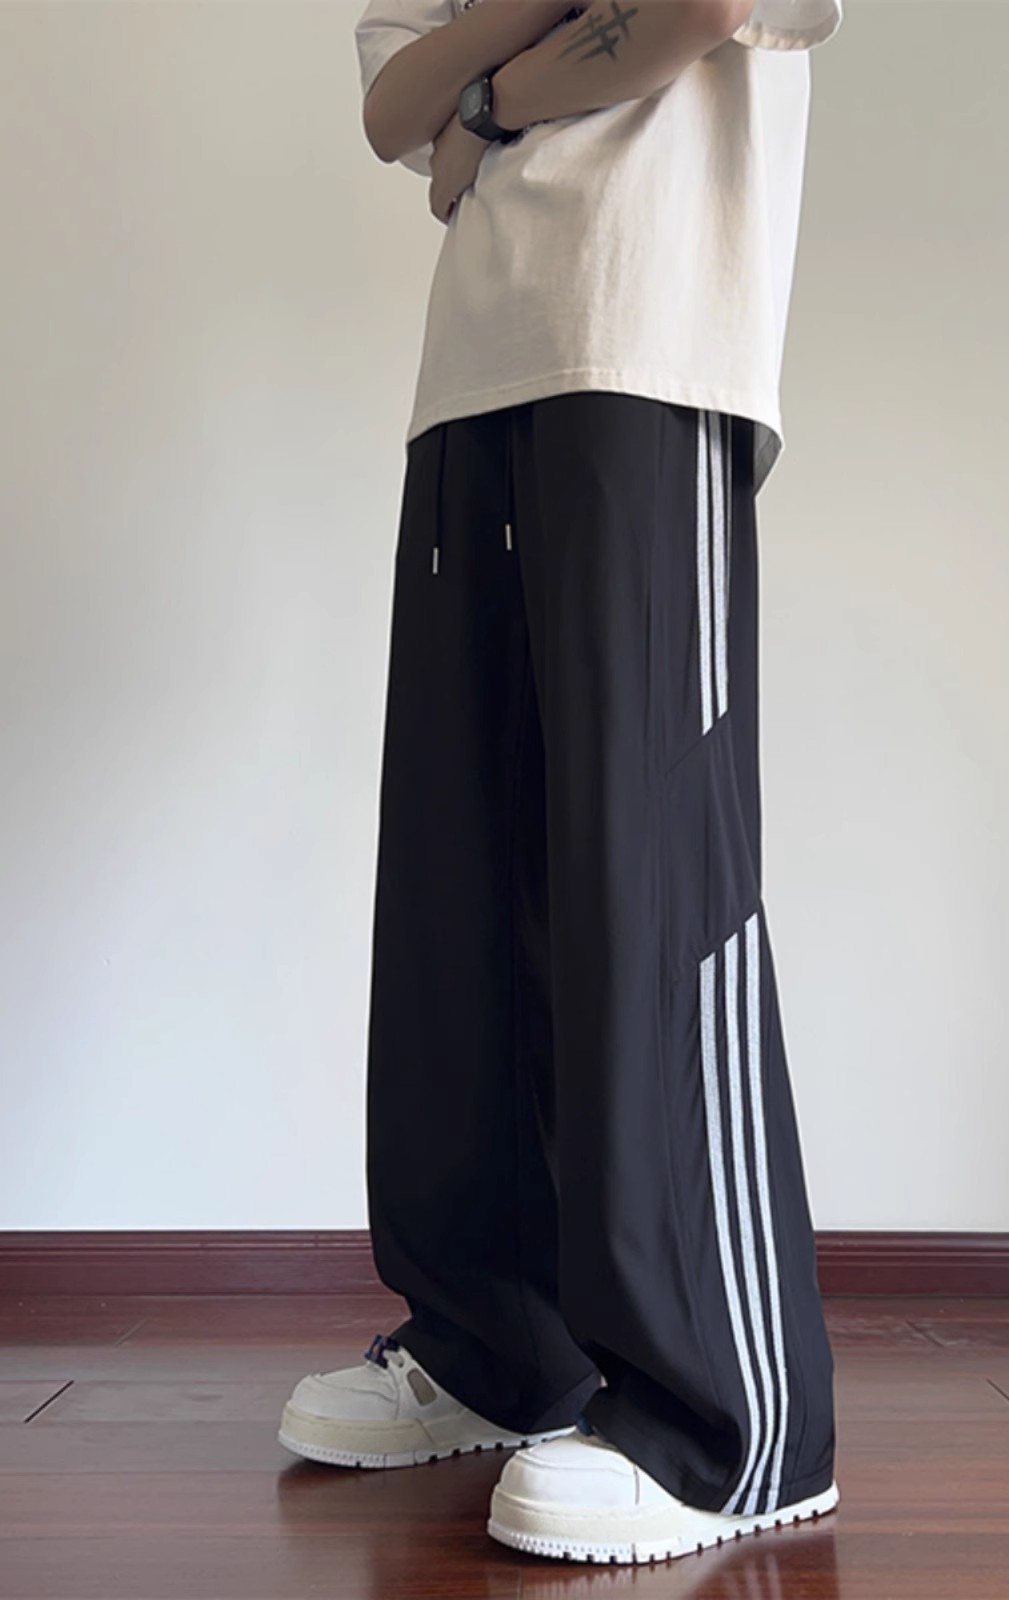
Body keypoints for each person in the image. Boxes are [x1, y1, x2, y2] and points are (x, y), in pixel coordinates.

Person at [279, 0, 844, 1566]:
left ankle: (733, 1416)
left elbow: (699, 11)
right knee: (462, 883)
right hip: (474, 366)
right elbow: (393, 107)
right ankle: (494, 1346)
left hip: (652, 328)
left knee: (646, 881)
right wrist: (515, 68)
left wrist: (490, 102)